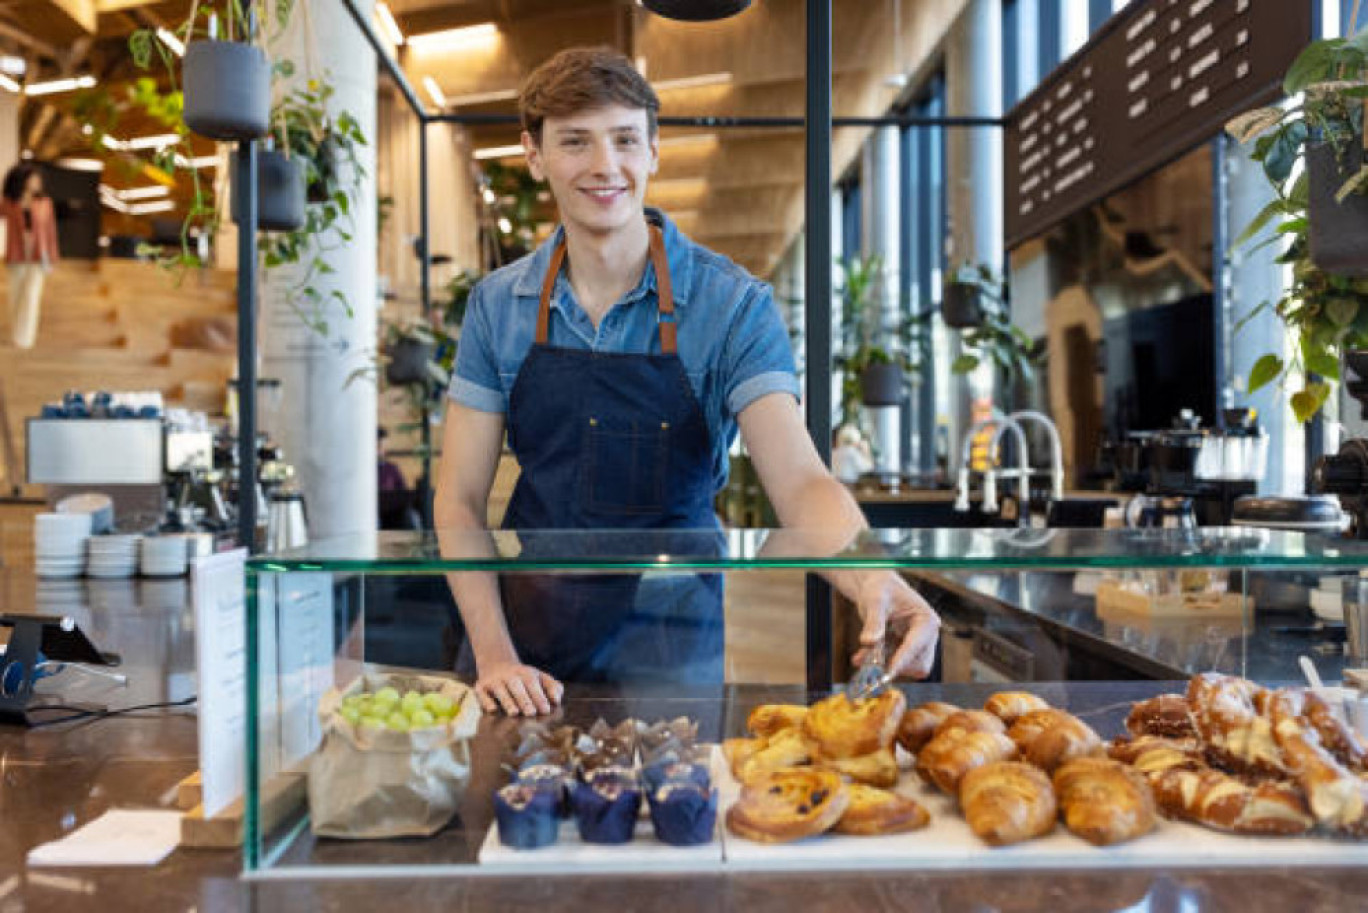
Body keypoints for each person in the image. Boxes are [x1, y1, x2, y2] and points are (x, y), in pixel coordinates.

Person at [434, 46, 940, 717]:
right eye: (575, 142)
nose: (604, 165)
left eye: (623, 140)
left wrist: (871, 573)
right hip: (526, 634)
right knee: (506, 819)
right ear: (535, 155)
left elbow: (799, 480)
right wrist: (495, 653)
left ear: (653, 151)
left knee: (673, 817)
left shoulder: (732, 305)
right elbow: (459, 498)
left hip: (668, 640)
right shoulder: (497, 306)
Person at [0, 163, 58, 349]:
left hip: (37, 256)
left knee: (31, 296)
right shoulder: (9, 202)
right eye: (34, 178)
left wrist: (52, 256)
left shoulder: (44, 202)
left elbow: (50, 231)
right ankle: (17, 335)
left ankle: (25, 340)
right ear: (23, 180)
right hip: (16, 255)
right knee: (16, 296)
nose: (37, 182)